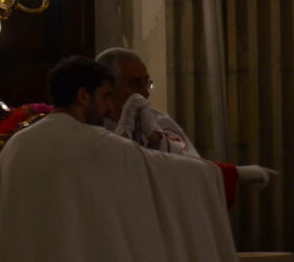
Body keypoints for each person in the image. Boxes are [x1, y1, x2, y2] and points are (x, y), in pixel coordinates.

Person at [0, 56, 237, 261]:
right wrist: (221, 174)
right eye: (105, 97)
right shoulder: (96, 144)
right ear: (83, 96)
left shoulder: (18, 144)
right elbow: (162, 171)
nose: (109, 107)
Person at [96, 46, 275, 189]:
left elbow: (192, 167)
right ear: (108, 87)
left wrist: (156, 138)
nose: (145, 93)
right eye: (136, 83)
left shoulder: (160, 121)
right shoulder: (93, 127)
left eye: (148, 84)